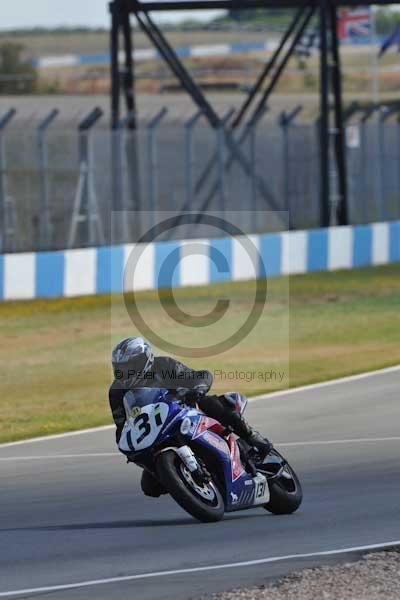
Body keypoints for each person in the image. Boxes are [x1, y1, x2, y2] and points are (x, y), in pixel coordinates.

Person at [109, 336, 272, 497]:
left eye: (131, 365)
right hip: (157, 433)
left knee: (209, 402)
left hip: (186, 413)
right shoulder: (116, 391)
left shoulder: (163, 365)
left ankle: (252, 436)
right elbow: (122, 425)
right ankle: (185, 480)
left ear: (145, 359)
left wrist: (196, 389)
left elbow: (198, 376)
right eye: (121, 368)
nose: (126, 372)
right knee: (149, 487)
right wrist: (127, 446)